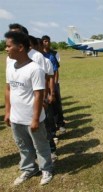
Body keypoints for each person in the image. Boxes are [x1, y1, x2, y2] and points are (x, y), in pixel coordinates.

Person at [4, 31, 53, 186]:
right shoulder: (10, 66)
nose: (6, 49)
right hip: (16, 117)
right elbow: (8, 90)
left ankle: (46, 169)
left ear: (20, 47)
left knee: (41, 145)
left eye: (8, 46)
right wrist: (7, 112)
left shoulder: (35, 69)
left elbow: (39, 95)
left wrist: (35, 118)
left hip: (32, 117)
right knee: (23, 146)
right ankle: (29, 169)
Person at [42, 35, 66, 133]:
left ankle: (60, 124)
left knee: (57, 104)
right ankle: (51, 129)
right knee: (48, 107)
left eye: (47, 41)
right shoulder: (40, 55)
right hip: (43, 85)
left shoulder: (53, 54)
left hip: (53, 83)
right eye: (44, 41)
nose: (46, 43)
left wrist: (55, 84)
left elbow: (56, 71)